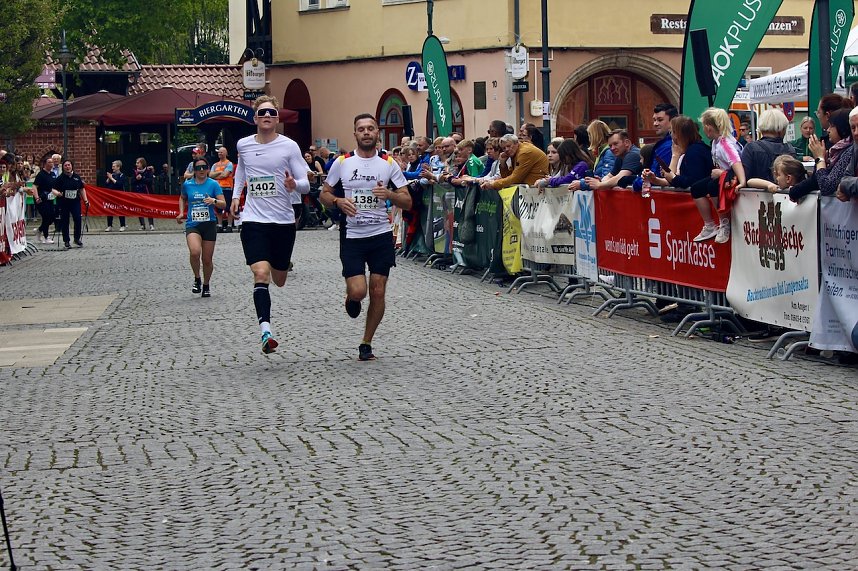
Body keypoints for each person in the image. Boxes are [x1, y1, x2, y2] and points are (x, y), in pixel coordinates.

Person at [319, 113, 412, 361]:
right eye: (362, 129)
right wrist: (338, 201)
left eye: (371, 128)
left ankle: (366, 342)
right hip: (352, 235)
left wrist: (389, 195)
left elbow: (408, 200)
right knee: (360, 291)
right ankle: (352, 296)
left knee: (378, 290)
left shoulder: (389, 163)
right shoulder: (342, 162)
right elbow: (324, 195)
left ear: (377, 132)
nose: (367, 132)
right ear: (355, 134)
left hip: (380, 234)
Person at [230, 95, 310, 355]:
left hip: (283, 221)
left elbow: (306, 183)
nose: (267, 116)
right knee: (260, 274)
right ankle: (266, 331)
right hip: (253, 219)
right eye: (262, 112)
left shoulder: (289, 147)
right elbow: (241, 171)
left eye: (272, 113)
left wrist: (293, 185)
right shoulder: (243, 145)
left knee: (280, 278)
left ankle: (281, 265)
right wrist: (235, 197)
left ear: (277, 118)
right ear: (255, 118)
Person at [691, 107, 746, 244]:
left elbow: (736, 162)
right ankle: (710, 225)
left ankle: (724, 222)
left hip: (731, 176)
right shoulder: (715, 143)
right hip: (723, 175)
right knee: (696, 189)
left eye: (704, 126)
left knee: (712, 186)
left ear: (708, 127)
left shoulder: (725, 143)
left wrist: (742, 181)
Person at [177, 157, 225, 298]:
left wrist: (214, 201)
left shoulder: (213, 184)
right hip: (193, 224)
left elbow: (223, 204)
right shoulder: (188, 184)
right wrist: (181, 212)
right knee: (195, 252)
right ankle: (197, 278)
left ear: (208, 169)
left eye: (204, 167)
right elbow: (182, 198)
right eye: (198, 168)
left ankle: (206, 285)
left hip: (209, 224)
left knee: (207, 259)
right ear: (194, 170)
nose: (202, 170)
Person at [790, 108, 855, 201]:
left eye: (832, 126)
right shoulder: (836, 151)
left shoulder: (848, 152)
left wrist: (820, 159)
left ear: (842, 128)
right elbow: (817, 180)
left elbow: (826, 186)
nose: (828, 130)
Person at [648, 115, 713, 190]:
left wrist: (673, 177)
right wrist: (656, 180)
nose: (671, 135)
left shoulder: (694, 152)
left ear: (677, 134)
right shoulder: (691, 150)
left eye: (671, 132)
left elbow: (694, 181)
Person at [741, 108, 795, 182]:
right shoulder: (789, 149)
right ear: (781, 128)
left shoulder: (751, 148)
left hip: (755, 192)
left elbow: (744, 178)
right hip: (785, 193)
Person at [480, 133, 549, 189]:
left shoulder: (524, 152)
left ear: (516, 143)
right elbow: (508, 176)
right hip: (530, 190)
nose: (506, 150)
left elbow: (515, 179)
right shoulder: (516, 152)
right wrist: (503, 164)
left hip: (535, 190)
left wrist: (493, 184)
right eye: (504, 148)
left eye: (508, 146)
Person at [51, 159, 88, 249]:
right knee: (65, 221)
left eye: (69, 165)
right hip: (64, 202)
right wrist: (58, 193)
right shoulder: (60, 178)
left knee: (77, 219)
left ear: (72, 166)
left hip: (75, 201)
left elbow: (82, 189)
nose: (67, 167)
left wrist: (86, 200)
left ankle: (77, 238)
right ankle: (66, 241)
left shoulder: (77, 177)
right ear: (63, 167)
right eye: (65, 165)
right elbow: (53, 189)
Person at [210, 147, 235, 233]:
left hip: (227, 188)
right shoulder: (215, 164)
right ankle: (219, 225)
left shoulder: (229, 163)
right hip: (217, 188)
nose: (220, 154)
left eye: (221, 152)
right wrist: (221, 172)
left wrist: (216, 175)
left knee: (228, 207)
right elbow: (210, 175)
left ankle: (229, 225)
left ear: (226, 153)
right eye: (219, 152)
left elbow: (225, 175)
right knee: (218, 207)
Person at [32, 157, 56, 244]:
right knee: (46, 216)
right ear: (45, 164)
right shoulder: (41, 174)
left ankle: (39, 230)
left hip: (49, 199)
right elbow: (34, 186)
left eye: (52, 162)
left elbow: (53, 187)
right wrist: (37, 197)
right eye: (49, 162)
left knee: (52, 217)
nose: (51, 164)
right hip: (41, 199)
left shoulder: (53, 174)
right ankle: (46, 237)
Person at [651, 103, 678, 177]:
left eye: (660, 120)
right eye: (654, 120)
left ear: (672, 121)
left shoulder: (669, 145)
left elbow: (655, 174)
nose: (655, 124)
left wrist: (636, 182)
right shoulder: (665, 143)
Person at [104, 160, 127, 232]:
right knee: (110, 209)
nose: (112, 168)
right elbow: (106, 185)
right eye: (112, 166)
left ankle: (122, 225)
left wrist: (111, 178)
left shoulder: (122, 175)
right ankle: (109, 225)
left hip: (119, 195)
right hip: (111, 195)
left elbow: (119, 184)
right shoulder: (112, 175)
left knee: (120, 209)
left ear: (118, 167)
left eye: (114, 166)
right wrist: (108, 179)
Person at [133, 157, 155, 230]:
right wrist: (136, 179)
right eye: (136, 163)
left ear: (142, 163)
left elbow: (150, 181)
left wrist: (142, 178)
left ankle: (151, 224)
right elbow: (132, 182)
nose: (137, 164)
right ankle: (142, 225)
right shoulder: (135, 172)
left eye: (138, 163)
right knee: (139, 208)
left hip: (147, 192)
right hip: (138, 192)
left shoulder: (148, 171)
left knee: (149, 208)